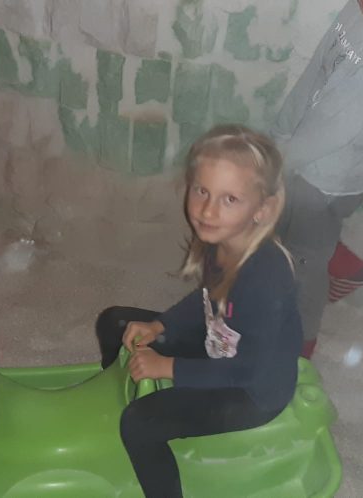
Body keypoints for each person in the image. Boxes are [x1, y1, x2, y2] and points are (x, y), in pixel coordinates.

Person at [95, 125, 302, 497]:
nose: (208, 210)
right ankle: (116, 399)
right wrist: (161, 326)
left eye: (230, 199)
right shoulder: (219, 239)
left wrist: (169, 367)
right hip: (217, 345)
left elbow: (248, 369)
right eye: (201, 191)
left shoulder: (267, 277)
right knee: (115, 322)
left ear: (263, 209)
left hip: (250, 391)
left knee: (140, 424)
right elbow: (206, 301)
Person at [271, 0, 363, 358]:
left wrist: (277, 164)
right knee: (290, 228)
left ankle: (300, 349)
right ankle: (348, 267)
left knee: (304, 263)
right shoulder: (362, 9)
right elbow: (315, 72)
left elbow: (334, 128)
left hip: (331, 179)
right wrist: (280, 133)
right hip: (305, 159)